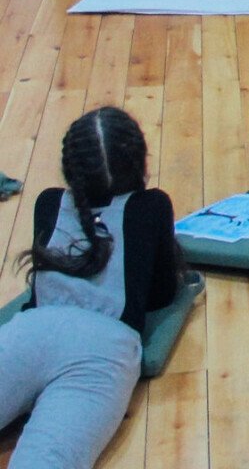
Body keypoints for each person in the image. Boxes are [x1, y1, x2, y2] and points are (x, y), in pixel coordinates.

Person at [0, 107, 184, 468]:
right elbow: (161, 294)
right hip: (102, 349)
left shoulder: (49, 202)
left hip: (30, 331)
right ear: (140, 164)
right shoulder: (152, 206)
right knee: (48, 459)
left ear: (70, 169)